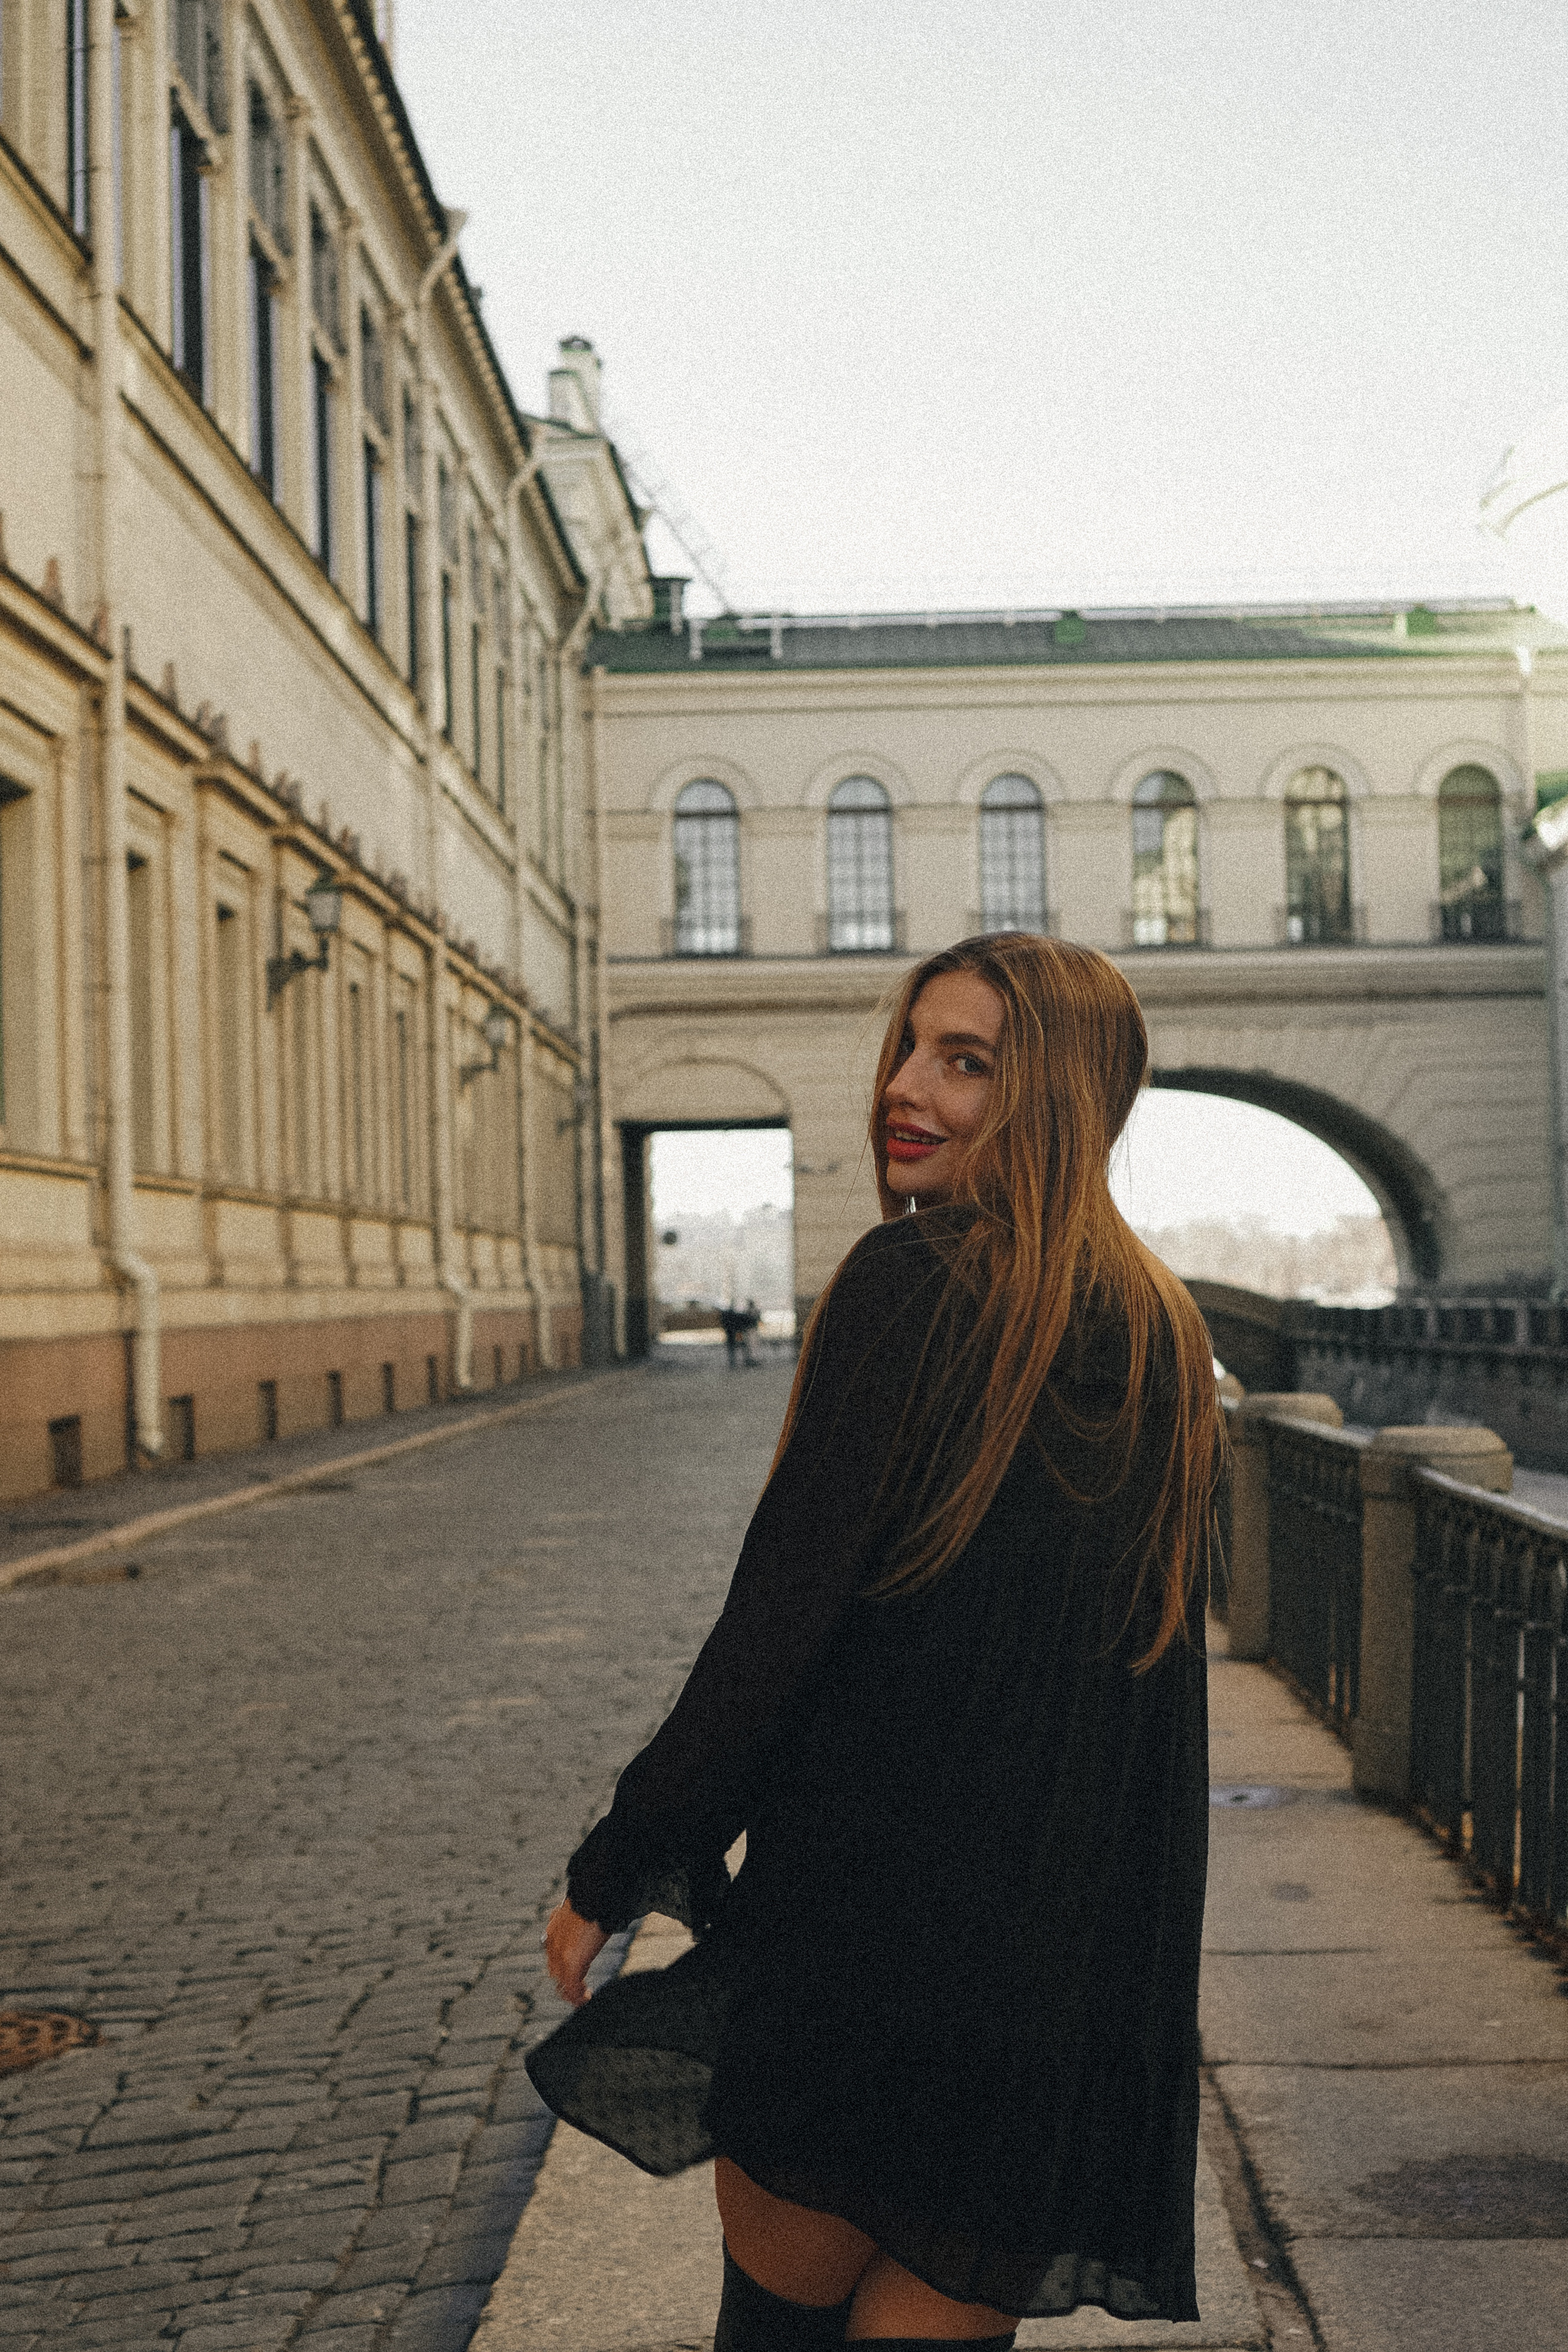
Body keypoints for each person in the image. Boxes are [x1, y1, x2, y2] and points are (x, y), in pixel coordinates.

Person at [529, 935, 1224, 2352]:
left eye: (963, 1062)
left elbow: (777, 1629)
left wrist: (618, 1863)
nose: (903, 1086)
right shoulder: (1163, 1328)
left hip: (863, 1957)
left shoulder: (907, 1282)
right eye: (910, 1046)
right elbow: (1150, 1705)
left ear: (1053, 1096)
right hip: (1051, 1993)